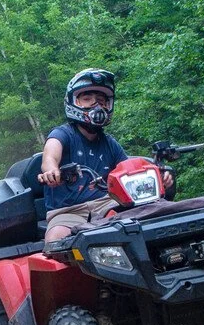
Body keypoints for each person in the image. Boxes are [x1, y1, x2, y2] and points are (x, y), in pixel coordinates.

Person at [36, 68, 166, 244]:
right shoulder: (63, 134)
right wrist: (51, 170)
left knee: (138, 223)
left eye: (101, 101)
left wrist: (159, 176)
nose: (96, 105)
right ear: (73, 102)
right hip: (68, 212)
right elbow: (50, 156)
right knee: (55, 239)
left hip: (106, 204)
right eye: (87, 99)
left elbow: (129, 169)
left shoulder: (109, 143)